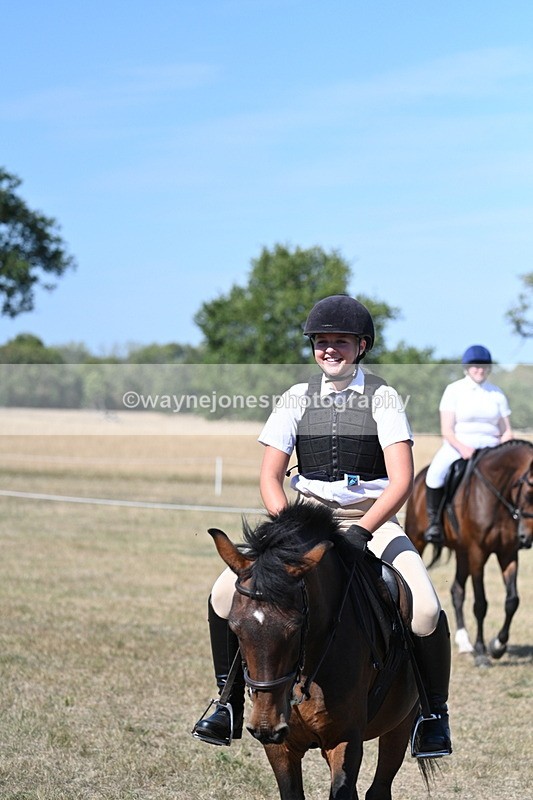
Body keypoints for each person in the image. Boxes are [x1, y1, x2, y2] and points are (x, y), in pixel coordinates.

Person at [192, 295, 452, 758]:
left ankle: (433, 716)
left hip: (370, 521)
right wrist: (285, 526)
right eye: (322, 342)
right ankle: (227, 703)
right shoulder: (295, 397)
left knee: (427, 610)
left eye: (341, 342)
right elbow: (270, 477)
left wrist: (362, 531)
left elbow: (401, 480)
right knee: (222, 594)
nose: (330, 349)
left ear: (361, 345)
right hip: (305, 521)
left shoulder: (384, 397)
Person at [424, 345, 513, 545]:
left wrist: (503, 447)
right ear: (467, 367)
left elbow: (506, 430)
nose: (479, 370)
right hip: (459, 445)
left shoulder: (497, 394)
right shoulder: (454, 390)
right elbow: (447, 429)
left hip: (492, 448)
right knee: (435, 473)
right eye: (475, 366)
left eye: (483, 366)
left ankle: (516, 522)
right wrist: (463, 448)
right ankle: (434, 523)